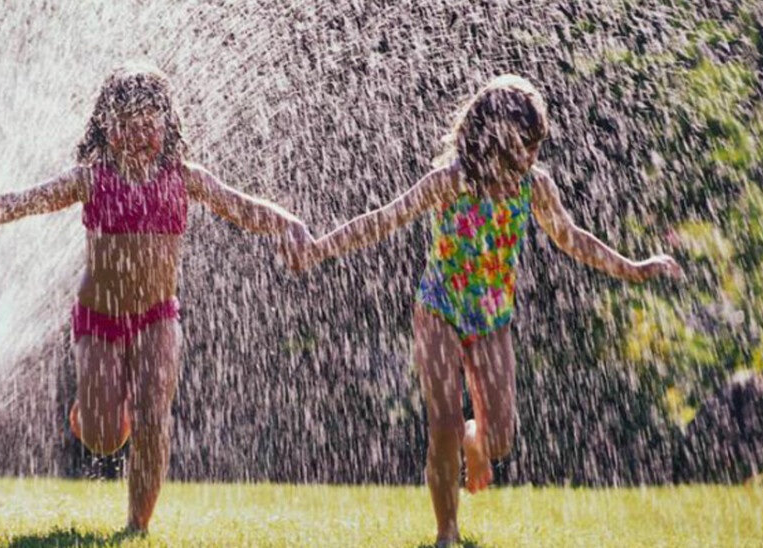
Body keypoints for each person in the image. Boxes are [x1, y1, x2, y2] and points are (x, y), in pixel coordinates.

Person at [0, 63, 310, 533]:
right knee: (102, 438)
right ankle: (97, 412)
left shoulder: (185, 177)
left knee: (153, 416)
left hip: (158, 317)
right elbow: (19, 201)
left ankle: (137, 527)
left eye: (148, 122)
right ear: (105, 127)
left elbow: (242, 206)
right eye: (125, 124)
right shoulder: (91, 179)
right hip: (99, 319)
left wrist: (287, 222)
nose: (138, 134)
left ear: (168, 123)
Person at [287, 74, 682, 546]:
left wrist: (633, 267)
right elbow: (383, 220)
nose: (531, 158)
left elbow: (571, 237)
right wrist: (318, 248)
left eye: (536, 148)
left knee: (500, 440)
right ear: (491, 138)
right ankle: (447, 532)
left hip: (492, 317)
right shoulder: (452, 180)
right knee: (443, 423)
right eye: (522, 147)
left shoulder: (534, 187)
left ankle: (477, 440)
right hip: (439, 308)